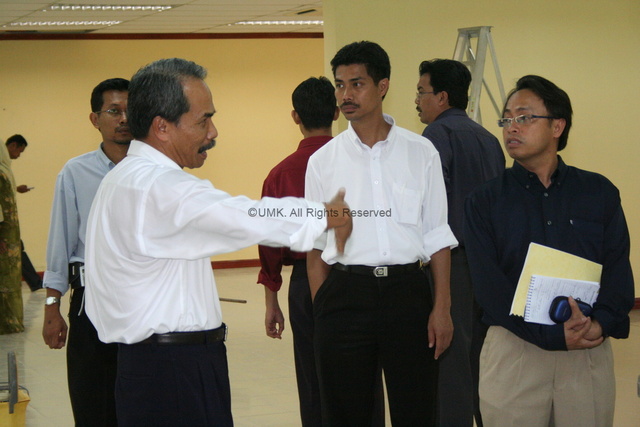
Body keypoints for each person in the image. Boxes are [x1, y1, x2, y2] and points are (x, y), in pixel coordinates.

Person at [83, 58, 352, 427]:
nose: (213, 132)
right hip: (173, 372)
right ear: (162, 127)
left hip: (152, 365)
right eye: (203, 120)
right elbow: (242, 216)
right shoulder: (158, 187)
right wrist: (325, 214)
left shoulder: (125, 178)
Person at [464, 75, 634, 426]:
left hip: (585, 348)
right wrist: (550, 335)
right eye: (506, 119)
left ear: (558, 126)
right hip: (515, 349)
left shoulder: (598, 192)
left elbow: (617, 269)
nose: (512, 127)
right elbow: (488, 287)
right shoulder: (484, 201)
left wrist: (600, 324)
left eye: (524, 117)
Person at [305, 41, 458, 426]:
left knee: (417, 410)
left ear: (383, 86)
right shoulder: (323, 161)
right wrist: (323, 307)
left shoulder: (421, 152)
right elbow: (315, 245)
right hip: (345, 295)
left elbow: (437, 235)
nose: (346, 95)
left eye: (356, 84)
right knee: (346, 413)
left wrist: (441, 307)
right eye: (339, 85)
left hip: (408, 295)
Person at [415, 58, 505, 427]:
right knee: (481, 360)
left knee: (448, 360)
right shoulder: (490, 140)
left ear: (442, 97)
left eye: (421, 92)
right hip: (487, 266)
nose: (416, 100)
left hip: (449, 265)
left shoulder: (435, 137)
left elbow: (428, 208)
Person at [42, 78, 132, 426]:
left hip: (144, 301)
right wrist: (52, 307)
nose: (124, 119)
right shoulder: (76, 172)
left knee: (140, 401)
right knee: (92, 401)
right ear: (95, 119)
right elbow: (60, 242)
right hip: (90, 302)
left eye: (130, 110)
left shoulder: (158, 170)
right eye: (114, 111)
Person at [5, 134, 42, 292]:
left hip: (7, 220)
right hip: (4, 221)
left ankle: (35, 282)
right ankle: (35, 282)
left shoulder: (5, 165)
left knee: (18, 247)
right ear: (13, 145)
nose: (19, 155)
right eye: (19, 151)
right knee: (17, 248)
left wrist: (16, 189)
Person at [0, 139, 23, 334]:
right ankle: (11, 321)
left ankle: (8, 322)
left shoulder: (3, 172)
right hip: (8, 234)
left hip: (5, 234)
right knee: (8, 277)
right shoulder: (4, 171)